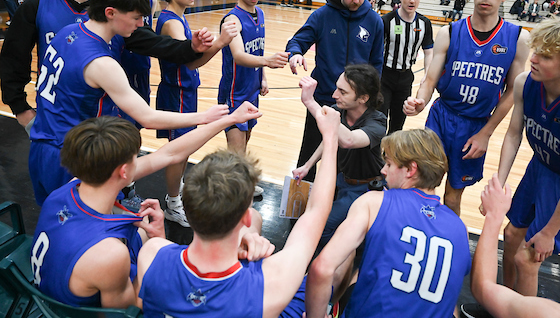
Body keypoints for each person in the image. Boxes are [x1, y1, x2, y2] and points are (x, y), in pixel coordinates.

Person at [28, 0, 229, 206]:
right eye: (136, 17)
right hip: (73, 156)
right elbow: (148, 117)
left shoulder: (67, 32)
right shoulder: (101, 64)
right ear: (110, 13)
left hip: (41, 146)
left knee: (53, 219)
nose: (141, 24)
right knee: (86, 224)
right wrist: (204, 117)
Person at [31, 106, 264, 308]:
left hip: (54, 286)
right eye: (136, 157)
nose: (140, 160)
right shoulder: (110, 254)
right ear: (124, 171)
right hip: (82, 303)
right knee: (152, 243)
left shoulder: (67, 189)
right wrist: (156, 246)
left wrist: (229, 119)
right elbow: (126, 311)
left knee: (141, 230)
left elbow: (170, 153)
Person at [136, 102, 341, 317]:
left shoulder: (152, 253)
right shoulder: (271, 284)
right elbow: (316, 211)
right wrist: (330, 139)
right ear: (245, 217)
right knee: (337, 269)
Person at [0, 0, 215, 135]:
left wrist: (190, 47)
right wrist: (21, 109)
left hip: (104, 119)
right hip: (57, 120)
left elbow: (152, 42)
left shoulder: (115, 12)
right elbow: (12, 60)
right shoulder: (38, 6)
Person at [403, 0, 530, 216]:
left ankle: (448, 237)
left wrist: (486, 133)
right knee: (422, 185)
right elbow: (430, 80)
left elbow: (513, 93)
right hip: (441, 117)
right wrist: (420, 101)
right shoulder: (449, 32)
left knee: (453, 196)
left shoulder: (518, 38)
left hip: (475, 125)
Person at [305, 128, 471, 318]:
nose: (383, 170)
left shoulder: (374, 202)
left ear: (410, 170)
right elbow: (451, 299)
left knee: (354, 257)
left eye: (389, 164)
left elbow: (321, 269)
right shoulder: (460, 229)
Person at [499, 16, 560, 298]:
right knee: (511, 236)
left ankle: (522, 313)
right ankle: (503, 303)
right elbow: (513, 134)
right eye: (536, 51)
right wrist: (499, 182)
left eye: (545, 56)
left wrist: (549, 232)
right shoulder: (525, 82)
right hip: (541, 165)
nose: (533, 59)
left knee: (528, 258)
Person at [155, 0, 237, 226]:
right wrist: (221, 42)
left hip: (185, 92)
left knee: (184, 149)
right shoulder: (171, 23)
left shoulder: (178, 17)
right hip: (176, 93)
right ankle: (172, 202)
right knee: (178, 151)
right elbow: (190, 62)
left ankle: (176, 189)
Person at [286, 0, 384, 182]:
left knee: (345, 158)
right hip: (323, 98)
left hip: (356, 106)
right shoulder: (322, 16)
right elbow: (297, 41)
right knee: (310, 152)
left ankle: (337, 197)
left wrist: (369, 98)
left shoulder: (374, 21)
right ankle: (301, 198)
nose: (357, 0)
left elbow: (377, 64)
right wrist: (295, 53)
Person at [463, 174, 560, 318]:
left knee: (526, 260)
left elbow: (482, 287)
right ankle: (499, 304)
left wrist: (494, 215)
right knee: (511, 235)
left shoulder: (550, 314)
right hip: (544, 168)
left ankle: (505, 307)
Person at [293, 65, 386, 252]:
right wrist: (307, 166)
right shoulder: (338, 111)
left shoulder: (377, 121)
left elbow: (348, 140)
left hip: (365, 188)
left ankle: (345, 256)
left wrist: (310, 102)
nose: (334, 95)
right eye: (337, 88)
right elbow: (330, 139)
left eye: (343, 92)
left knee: (323, 227)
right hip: (342, 181)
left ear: (363, 98)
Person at [218, 0, 289, 161]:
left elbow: (258, 49)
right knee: (236, 155)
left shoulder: (260, 13)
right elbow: (239, 55)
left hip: (252, 90)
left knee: (245, 143)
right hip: (234, 93)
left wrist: (263, 78)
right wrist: (267, 61)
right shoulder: (232, 20)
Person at [104, 0, 159, 133]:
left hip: (140, 72)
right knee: (114, 132)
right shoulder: (101, 1)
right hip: (113, 76)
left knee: (137, 127)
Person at [380, 0, 433, 134]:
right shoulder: (386, 21)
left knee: (398, 123)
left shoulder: (424, 23)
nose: (412, 0)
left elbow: (428, 51)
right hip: (384, 77)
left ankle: (391, 150)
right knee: (379, 120)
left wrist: (427, 75)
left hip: (405, 78)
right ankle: (376, 150)